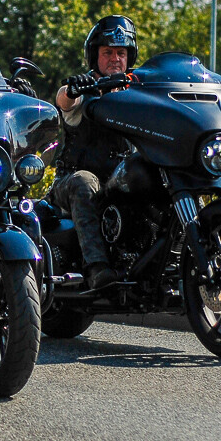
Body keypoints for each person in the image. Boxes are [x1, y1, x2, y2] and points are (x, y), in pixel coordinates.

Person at [48, 15, 140, 289]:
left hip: (117, 183)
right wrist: (74, 88)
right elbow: (64, 100)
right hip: (71, 185)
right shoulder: (84, 89)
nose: (115, 58)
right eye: (108, 52)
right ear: (94, 56)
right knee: (85, 181)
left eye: (121, 52)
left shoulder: (137, 93)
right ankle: (97, 268)